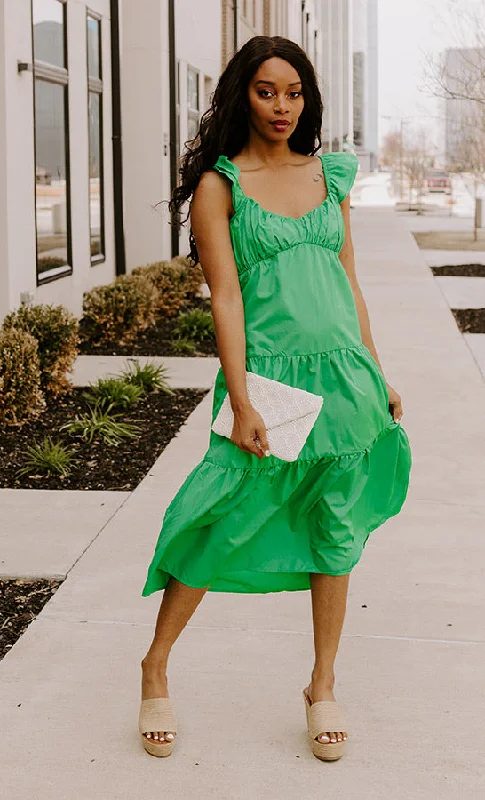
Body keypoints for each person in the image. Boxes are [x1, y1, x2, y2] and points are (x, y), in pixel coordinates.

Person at [138, 35, 412, 761]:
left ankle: (321, 685)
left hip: (344, 375)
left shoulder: (331, 176)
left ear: (307, 97)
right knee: (217, 518)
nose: (281, 106)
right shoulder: (218, 186)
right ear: (242, 95)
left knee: (334, 524)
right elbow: (224, 298)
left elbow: (347, 283)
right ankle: (155, 665)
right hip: (273, 381)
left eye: (292, 92)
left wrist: (375, 370)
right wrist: (242, 398)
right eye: (266, 91)